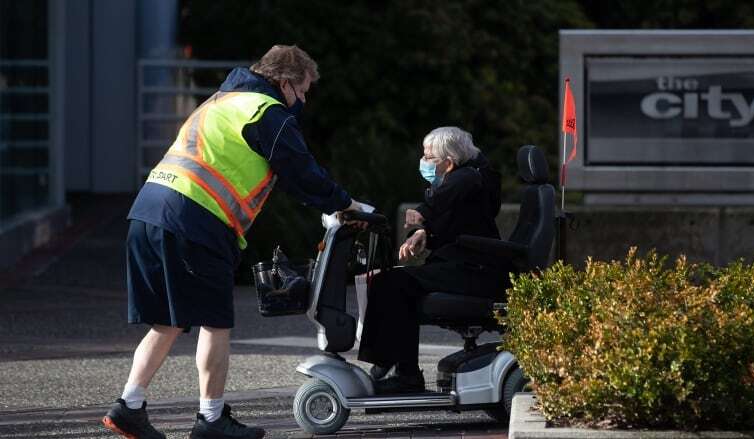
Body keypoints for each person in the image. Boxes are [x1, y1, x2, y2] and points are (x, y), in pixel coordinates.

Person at [102, 45, 362, 439]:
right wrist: (347, 205)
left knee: (167, 322)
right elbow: (301, 172)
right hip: (196, 220)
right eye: (304, 90)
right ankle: (211, 420)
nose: (304, 100)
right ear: (286, 82)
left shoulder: (223, 100)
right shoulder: (266, 112)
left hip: (149, 210)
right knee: (215, 322)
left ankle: (129, 406)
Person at [357, 126, 511, 394]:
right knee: (395, 282)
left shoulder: (469, 178)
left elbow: (456, 188)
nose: (423, 162)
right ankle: (396, 366)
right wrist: (423, 233)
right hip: (468, 266)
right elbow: (454, 219)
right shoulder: (474, 177)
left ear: (449, 163)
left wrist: (422, 213)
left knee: (390, 282)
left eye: (430, 158)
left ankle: (395, 368)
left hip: (474, 270)